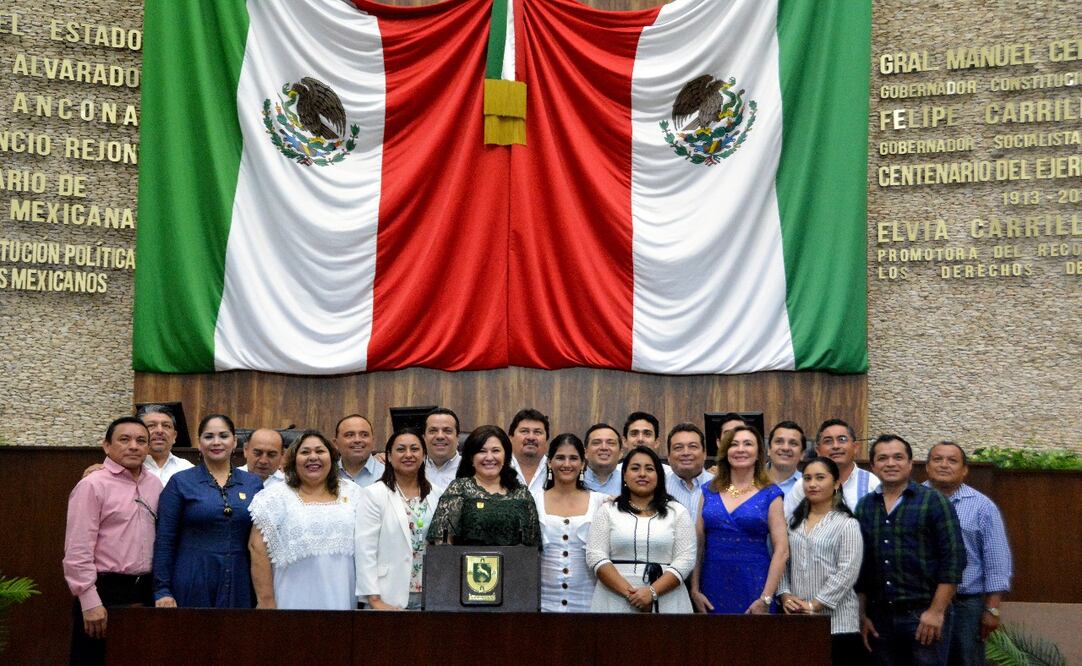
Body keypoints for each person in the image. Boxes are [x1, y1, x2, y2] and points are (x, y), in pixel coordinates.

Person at [856, 435, 966, 666]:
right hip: (879, 619)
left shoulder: (933, 501)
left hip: (924, 615)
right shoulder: (865, 506)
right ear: (873, 466)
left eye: (898, 457)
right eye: (882, 458)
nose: (890, 463)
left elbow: (954, 560)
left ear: (910, 463)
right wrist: (862, 614)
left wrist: (936, 612)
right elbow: (862, 566)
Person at [64, 417, 162, 666]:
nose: (134, 446)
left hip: (145, 590)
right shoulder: (92, 484)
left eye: (141, 441)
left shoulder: (154, 484)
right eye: (124, 439)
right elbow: (77, 550)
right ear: (106, 446)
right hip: (105, 590)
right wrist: (89, 600)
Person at [152, 414, 263, 608]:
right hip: (193, 576)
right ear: (199, 442)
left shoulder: (252, 483)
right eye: (209, 436)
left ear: (235, 441)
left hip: (240, 578)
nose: (216, 442)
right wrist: (162, 590)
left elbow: (261, 541)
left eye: (223, 436)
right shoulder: (180, 482)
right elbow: (165, 540)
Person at [249, 430, 361, 610]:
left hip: (342, 599)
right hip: (289, 601)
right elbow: (257, 549)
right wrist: (266, 601)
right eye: (305, 452)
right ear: (294, 460)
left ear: (332, 458)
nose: (313, 457)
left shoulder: (354, 493)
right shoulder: (274, 496)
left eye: (320, 451)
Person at [925, 441, 1012, 666]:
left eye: (952, 461)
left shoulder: (983, 507)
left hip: (965, 606)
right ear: (927, 466)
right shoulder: (910, 499)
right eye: (937, 459)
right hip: (921, 601)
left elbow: (997, 560)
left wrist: (992, 608)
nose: (944, 465)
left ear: (964, 470)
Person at [585, 446, 695, 613]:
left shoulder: (677, 512)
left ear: (659, 476)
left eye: (649, 469)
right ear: (624, 475)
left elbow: (686, 559)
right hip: (613, 598)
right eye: (635, 468)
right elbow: (595, 556)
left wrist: (652, 592)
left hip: (668, 598)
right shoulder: (607, 510)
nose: (642, 474)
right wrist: (631, 594)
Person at [692, 425, 788, 614]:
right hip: (712, 584)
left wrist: (766, 598)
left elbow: (782, 550)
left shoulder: (771, 494)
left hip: (755, 586)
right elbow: (698, 544)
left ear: (759, 453)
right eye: (734, 444)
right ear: (725, 451)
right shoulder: (709, 491)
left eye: (748, 444)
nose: (740, 449)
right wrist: (694, 589)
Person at [778, 457, 865, 664]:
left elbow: (847, 571)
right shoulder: (792, 522)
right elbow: (781, 560)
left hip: (838, 624)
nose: (812, 484)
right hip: (797, 619)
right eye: (807, 478)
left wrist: (815, 604)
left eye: (820, 478)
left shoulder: (847, 524)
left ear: (836, 484)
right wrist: (785, 595)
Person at [355, 428, 442, 611]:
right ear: (389, 456)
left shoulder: (436, 493)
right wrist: (374, 599)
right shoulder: (374, 494)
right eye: (401, 449)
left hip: (430, 594)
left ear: (424, 455)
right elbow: (365, 549)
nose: (408, 455)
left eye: (415, 449)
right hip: (387, 595)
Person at [428, 425, 541, 547]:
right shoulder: (459, 489)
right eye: (482, 451)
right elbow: (442, 541)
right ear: (471, 458)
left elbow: (532, 547)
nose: (489, 457)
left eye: (495, 451)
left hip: (512, 560)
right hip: (465, 559)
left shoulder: (521, 493)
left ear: (506, 456)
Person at [534, 433, 608, 612]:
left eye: (573, 458)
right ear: (549, 462)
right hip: (542, 604)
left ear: (583, 464)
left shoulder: (601, 502)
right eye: (560, 458)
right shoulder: (533, 500)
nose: (567, 464)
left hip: (588, 603)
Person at [784, 418, 880, 519]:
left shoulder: (872, 484)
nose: (835, 446)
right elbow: (786, 523)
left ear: (855, 447)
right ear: (818, 450)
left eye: (842, 439)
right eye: (828, 441)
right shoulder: (804, 485)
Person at [140, 404, 195, 485]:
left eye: (166, 426)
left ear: (174, 436)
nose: (160, 431)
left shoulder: (187, 469)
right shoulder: (128, 467)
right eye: (151, 425)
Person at [664, 423, 713, 513]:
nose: (686, 453)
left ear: (704, 453)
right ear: (668, 456)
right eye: (678, 447)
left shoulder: (720, 486)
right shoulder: (658, 487)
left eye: (693, 446)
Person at [333, 413, 384, 487]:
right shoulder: (326, 474)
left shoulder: (389, 475)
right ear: (336, 443)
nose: (357, 440)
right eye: (349, 435)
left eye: (364, 435)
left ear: (373, 442)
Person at [508, 408, 549, 495]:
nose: (531, 437)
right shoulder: (499, 468)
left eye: (537, 432)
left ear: (546, 440)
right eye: (524, 431)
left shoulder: (556, 470)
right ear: (511, 437)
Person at [423, 407, 461, 490]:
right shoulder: (413, 467)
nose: (440, 436)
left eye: (447, 431)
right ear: (424, 438)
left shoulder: (472, 469)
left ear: (457, 438)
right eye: (433, 431)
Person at [582, 423, 624, 496]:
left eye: (611, 443)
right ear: (586, 452)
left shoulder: (630, 483)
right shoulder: (573, 482)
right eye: (596, 443)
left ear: (621, 453)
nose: (604, 447)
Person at [767, 421, 805, 494]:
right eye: (779, 442)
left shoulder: (808, 485)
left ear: (802, 454)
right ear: (769, 449)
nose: (785, 448)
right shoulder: (751, 478)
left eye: (793, 443)